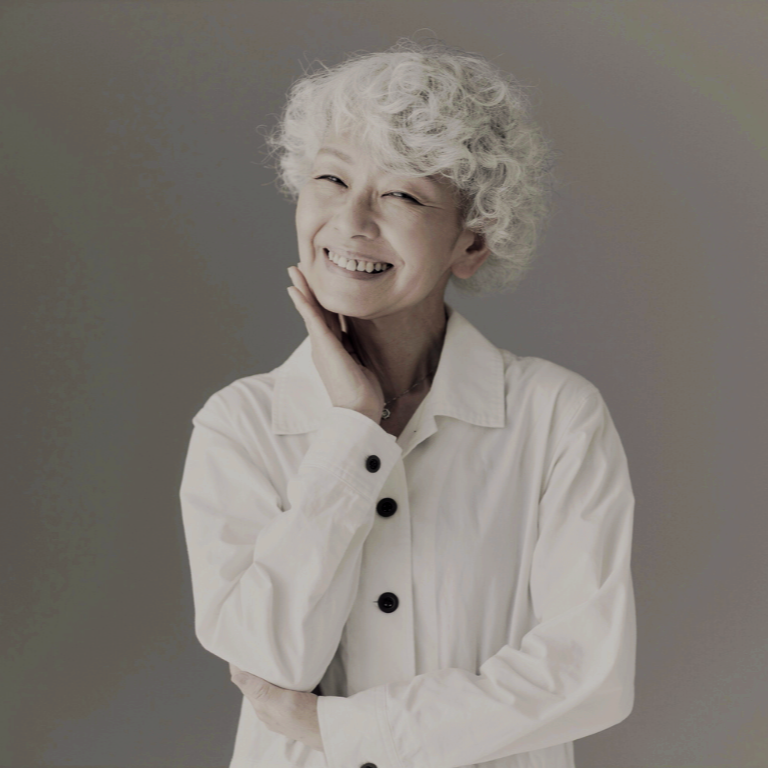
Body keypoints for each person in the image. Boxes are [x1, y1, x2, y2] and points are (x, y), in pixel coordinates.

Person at [179, 38, 636, 768]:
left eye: (402, 195)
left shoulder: (555, 419)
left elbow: (587, 676)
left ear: (472, 243)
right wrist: (350, 433)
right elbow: (268, 659)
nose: (353, 221)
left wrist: (338, 731)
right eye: (331, 178)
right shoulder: (241, 425)